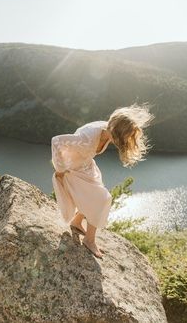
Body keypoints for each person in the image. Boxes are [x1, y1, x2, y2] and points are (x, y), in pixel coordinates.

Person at [51, 102, 155, 258]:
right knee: (103, 198)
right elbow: (57, 141)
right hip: (72, 169)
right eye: (125, 137)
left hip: (85, 166)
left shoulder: (106, 129)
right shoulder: (87, 137)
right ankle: (89, 240)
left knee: (96, 199)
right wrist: (60, 169)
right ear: (115, 131)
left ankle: (77, 221)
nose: (126, 140)